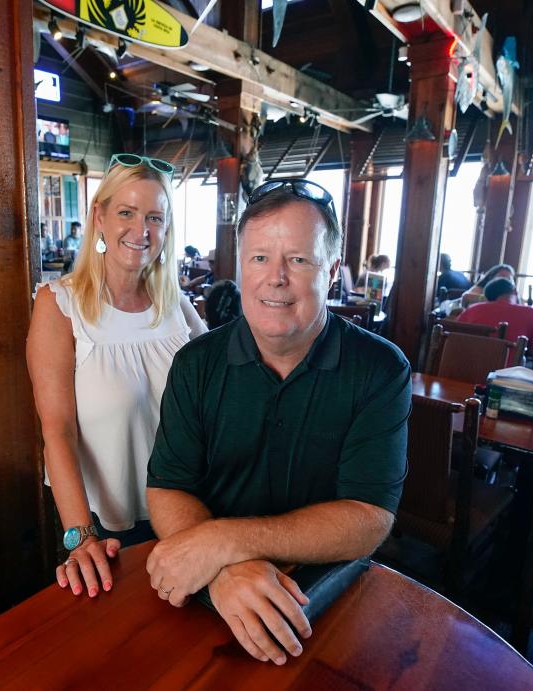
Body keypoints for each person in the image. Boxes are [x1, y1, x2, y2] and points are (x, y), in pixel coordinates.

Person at [144, 178, 410, 665]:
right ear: (240, 268)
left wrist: (223, 542)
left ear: (330, 271)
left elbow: (370, 517)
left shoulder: (379, 369)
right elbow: (168, 486)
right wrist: (224, 571)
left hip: (320, 599)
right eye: (260, 258)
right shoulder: (195, 363)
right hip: (210, 596)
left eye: (299, 259)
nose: (276, 277)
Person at [26, 154, 206, 600]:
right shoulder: (59, 305)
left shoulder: (176, 304)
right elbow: (58, 430)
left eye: (155, 217)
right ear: (99, 217)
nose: (141, 230)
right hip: (107, 520)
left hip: (189, 506)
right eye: (126, 212)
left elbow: (224, 389)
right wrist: (79, 536)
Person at [457, 276, 533, 360]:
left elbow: (454, 339)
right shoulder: (530, 313)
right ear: (515, 291)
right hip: (506, 376)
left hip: (467, 370)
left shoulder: (472, 310)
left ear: (487, 297)